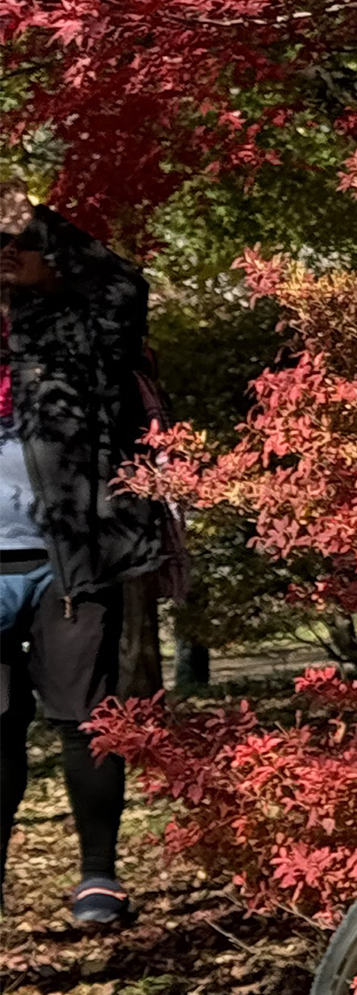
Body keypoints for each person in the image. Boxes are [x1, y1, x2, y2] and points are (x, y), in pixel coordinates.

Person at [0, 183, 172, 930]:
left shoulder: (80, 327)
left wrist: (34, 216)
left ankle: (98, 875)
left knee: (86, 720)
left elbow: (125, 282)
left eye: (22, 247)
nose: (9, 257)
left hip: (70, 556)